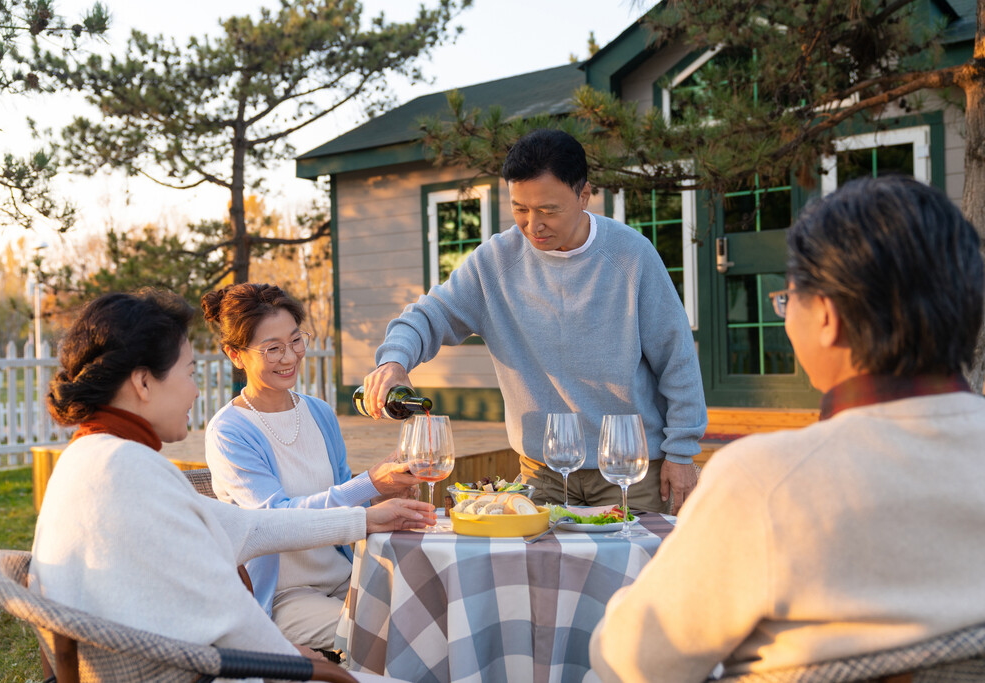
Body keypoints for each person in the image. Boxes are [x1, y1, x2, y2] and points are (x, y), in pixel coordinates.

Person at [588, 175, 985, 682]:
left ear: (827, 316)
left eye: (788, 296)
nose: (784, 315)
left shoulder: (765, 483)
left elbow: (635, 661)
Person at [30, 290, 435, 680]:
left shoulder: (93, 457)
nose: (195, 390)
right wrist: (284, 654)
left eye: (295, 341)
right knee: (416, 641)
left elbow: (251, 528)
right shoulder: (125, 469)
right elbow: (222, 608)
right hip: (209, 671)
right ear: (143, 383)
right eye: (189, 373)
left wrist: (364, 517)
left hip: (183, 661)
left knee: (420, 614)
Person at [362, 128, 707, 513]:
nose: (533, 225)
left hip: (629, 469)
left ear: (584, 195)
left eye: (547, 210)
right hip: (540, 475)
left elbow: (678, 360)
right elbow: (429, 314)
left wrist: (681, 452)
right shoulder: (495, 262)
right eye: (520, 209)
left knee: (637, 573)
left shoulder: (632, 256)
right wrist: (393, 361)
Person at [202, 283, 423, 654]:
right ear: (235, 355)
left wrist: (383, 491)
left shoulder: (318, 412)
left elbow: (342, 499)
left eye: (295, 341)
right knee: (390, 637)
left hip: (345, 574)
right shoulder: (229, 432)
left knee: (430, 613)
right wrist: (368, 483)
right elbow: (276, 521)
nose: (289, 357)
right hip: (283, 597)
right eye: (272, 348)